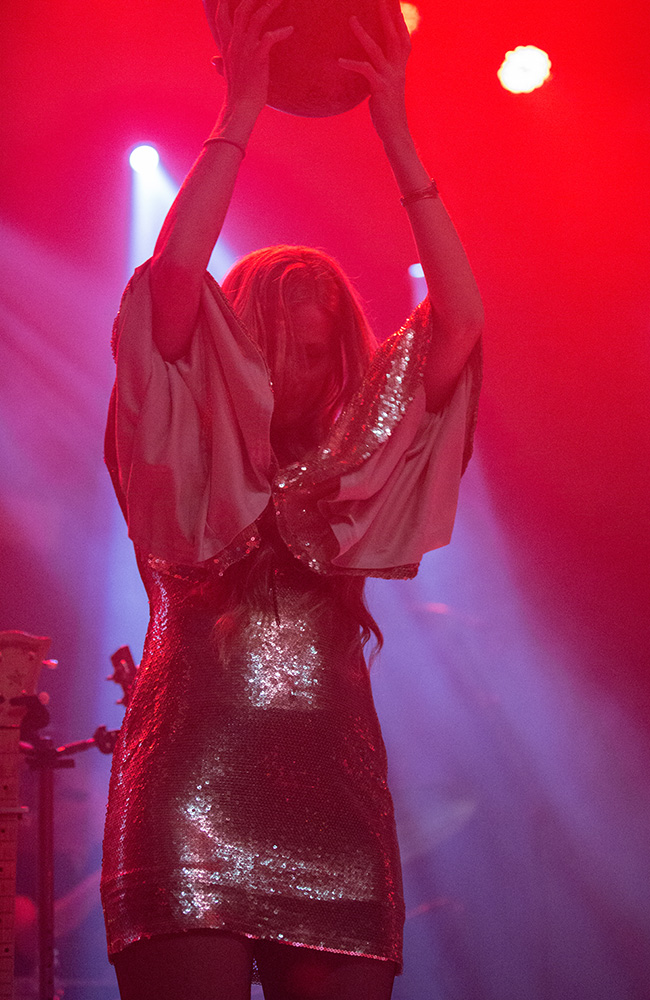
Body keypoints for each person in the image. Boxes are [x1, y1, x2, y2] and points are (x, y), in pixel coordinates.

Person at [101, 1, 484, 998]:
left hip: (335, 800)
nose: (294, 368)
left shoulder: (359, 467)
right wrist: (240, 112)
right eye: (270, 345)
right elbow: (171, 279)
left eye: (312, 351)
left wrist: (397, 134)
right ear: (230, 348)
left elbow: (458, 324)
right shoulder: (178, 440)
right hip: (188, 791)